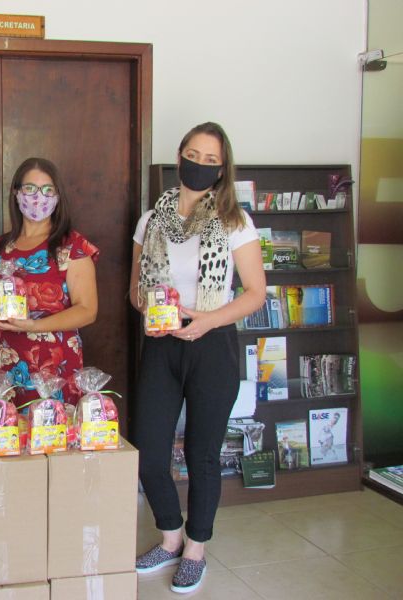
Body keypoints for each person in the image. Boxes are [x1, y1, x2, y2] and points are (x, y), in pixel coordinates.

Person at [129, 122, 265, 594]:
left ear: (223, 167)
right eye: (193, 154)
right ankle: (169, 538)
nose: (200, 165)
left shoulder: (234, 221)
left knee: (203, 454)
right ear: (179, 155)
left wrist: (206, 320)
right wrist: (152, 308)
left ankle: (195, 549)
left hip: (212, 344)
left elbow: (255, 294)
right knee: (148, 451)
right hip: (163, 344)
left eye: (211, 160)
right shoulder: (150, 220)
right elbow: (134, 292)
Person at [0, 157, 99, 408]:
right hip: (7, 366)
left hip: (55, 368)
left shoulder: (71, 247)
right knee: (7, 438)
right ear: (16, 192)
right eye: (30, 188)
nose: (37, 197)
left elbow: (87, 311)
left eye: (47, 190)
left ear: (57, 196)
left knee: (53, 436)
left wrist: (33, 325)